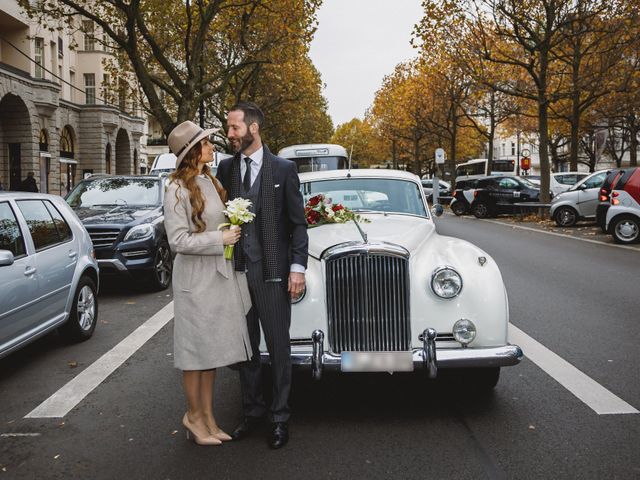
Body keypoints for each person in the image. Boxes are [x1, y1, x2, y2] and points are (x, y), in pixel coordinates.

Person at [217, 101, 308, 449]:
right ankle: (252, 412)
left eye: (235, 128)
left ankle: (280, 418)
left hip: (273, 273)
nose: (230, 134)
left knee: (279, 347)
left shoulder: (284, 169)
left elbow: (298, 225)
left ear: (253, 128)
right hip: (238, 272)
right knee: (246, 348)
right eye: (229, 128)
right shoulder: (226, 168)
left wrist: (297, 268)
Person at [164, 120, 252, 446]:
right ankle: (193, 417)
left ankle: (209, 419)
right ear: (193, 151)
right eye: (206, 143)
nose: (212, 147)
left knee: (211, 355)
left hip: (217, 277)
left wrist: (233, 224)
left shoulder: (209, 181)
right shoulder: (176, 188)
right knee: (195, 357)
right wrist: (221, 237)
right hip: (194, 282)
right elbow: (177, 240)